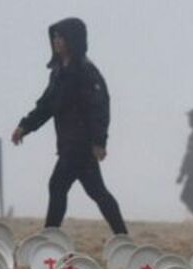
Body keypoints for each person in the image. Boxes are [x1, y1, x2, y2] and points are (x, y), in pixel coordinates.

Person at [11, 17, 128, 235]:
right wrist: (25, 126)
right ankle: (122, 236)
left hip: (80, 143)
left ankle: (49, 237)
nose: (56, 41)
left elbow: (99, 108)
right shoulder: (58, 72)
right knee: (97, 191)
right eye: (54, 37)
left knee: (58, 185)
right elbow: (46, 105)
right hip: (67, 142)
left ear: (72, 40)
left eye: (60, 37)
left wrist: (98, 142)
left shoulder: (85, 71)